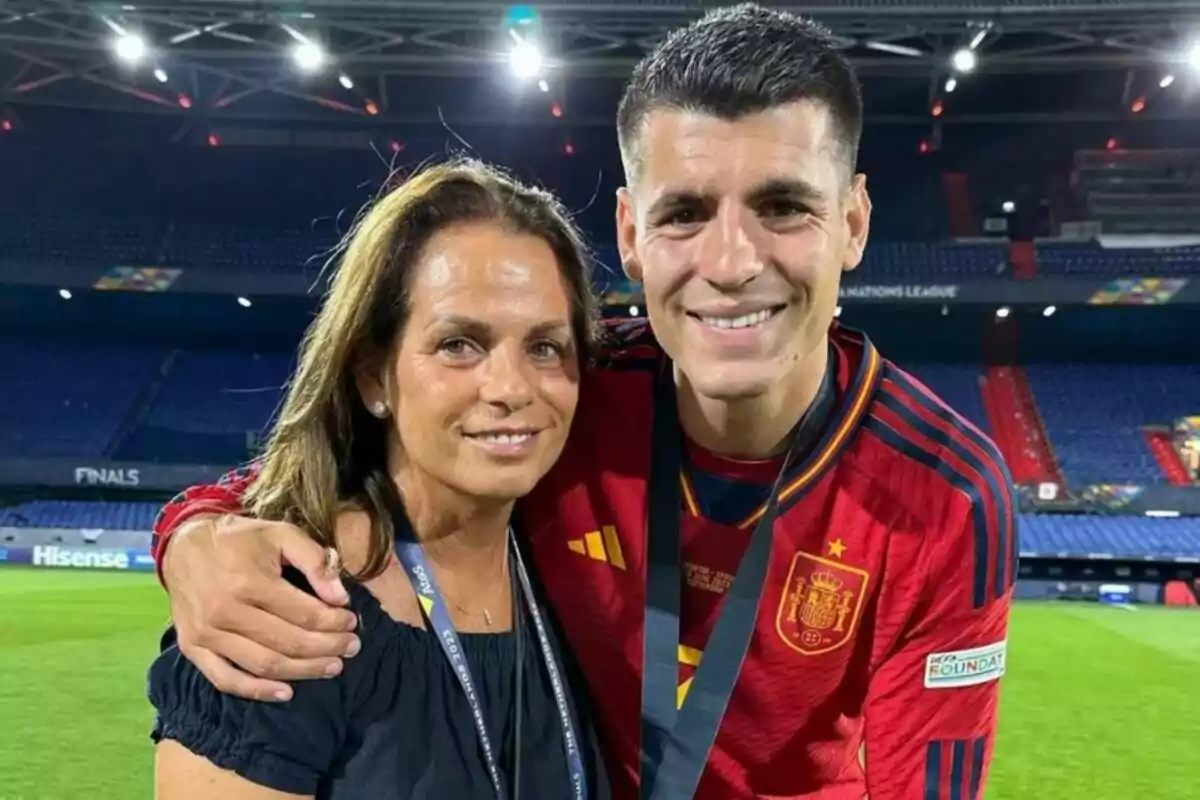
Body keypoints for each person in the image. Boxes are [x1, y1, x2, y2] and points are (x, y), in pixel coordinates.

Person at [150, 5, 1016, 799]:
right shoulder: (571, 395)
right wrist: (195, 533)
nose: (732, 262)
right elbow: (337, 457)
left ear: (854, 222)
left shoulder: (948, 494)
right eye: (685, 214)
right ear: (632, 235)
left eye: (783, 206)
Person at [148, 159, 607, 799]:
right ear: (373, 377)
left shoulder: (578, 569)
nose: (511, 388)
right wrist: (195, 529)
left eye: (544, 347)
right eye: (459, 344)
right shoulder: (282, 613)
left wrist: (189, 523)